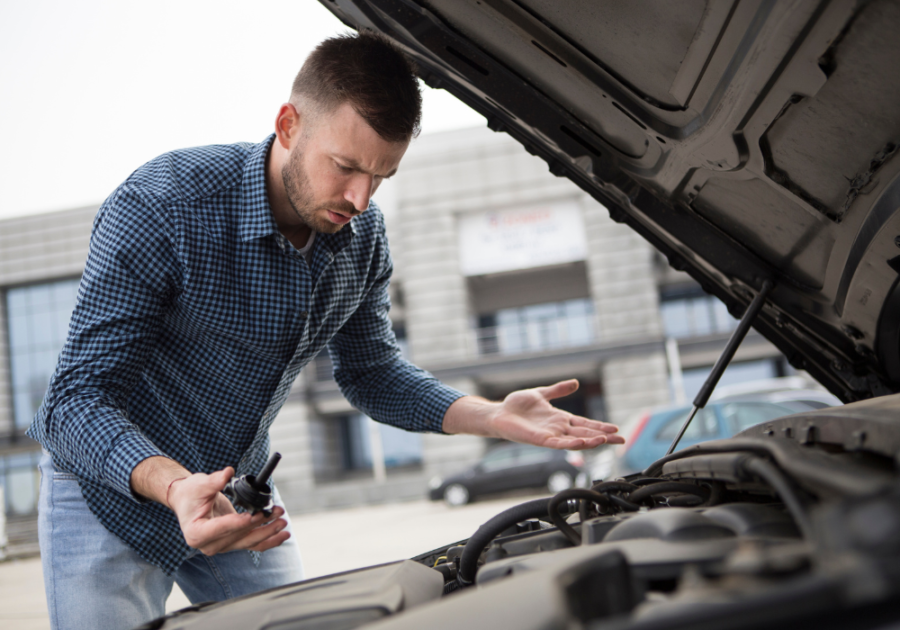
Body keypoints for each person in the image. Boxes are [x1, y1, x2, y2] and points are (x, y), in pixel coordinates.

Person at [27, 32, 625, 630]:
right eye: (345, 167)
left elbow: (373, 374)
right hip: (106, 489)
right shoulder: (164, 205)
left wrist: (489, 415)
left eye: (381, 176)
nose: (360, 199)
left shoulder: (362, 241)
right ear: (289, 125)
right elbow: (74, 401)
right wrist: (177, 486)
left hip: (239, 489)